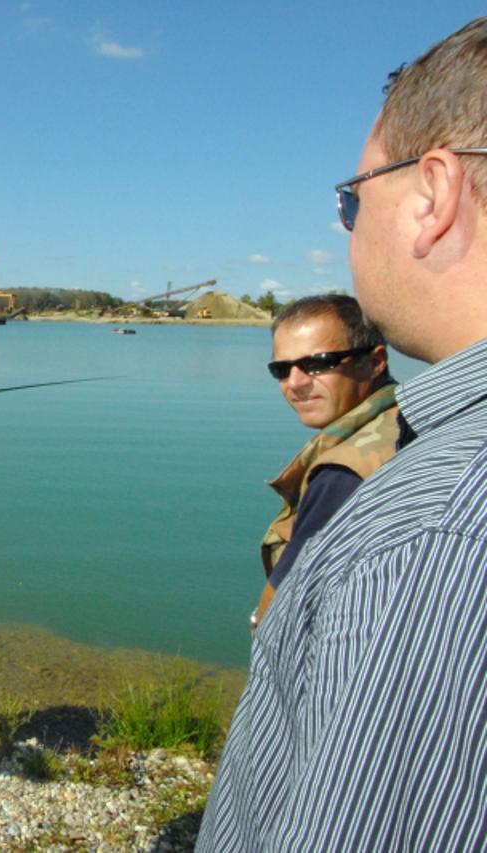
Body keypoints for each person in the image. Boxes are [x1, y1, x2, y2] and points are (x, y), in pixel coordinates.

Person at [199, 17, 487, 850]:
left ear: (431, 193)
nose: (297, 383)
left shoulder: (425, 532)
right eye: (280, 370)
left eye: (352, 197)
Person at [250, 295, 398, 632]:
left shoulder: (344, 472)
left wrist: (259, 626)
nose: (296, 383)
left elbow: (285, 599)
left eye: (318, 363)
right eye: (281, 369)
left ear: (375, 362)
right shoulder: (409, 419)